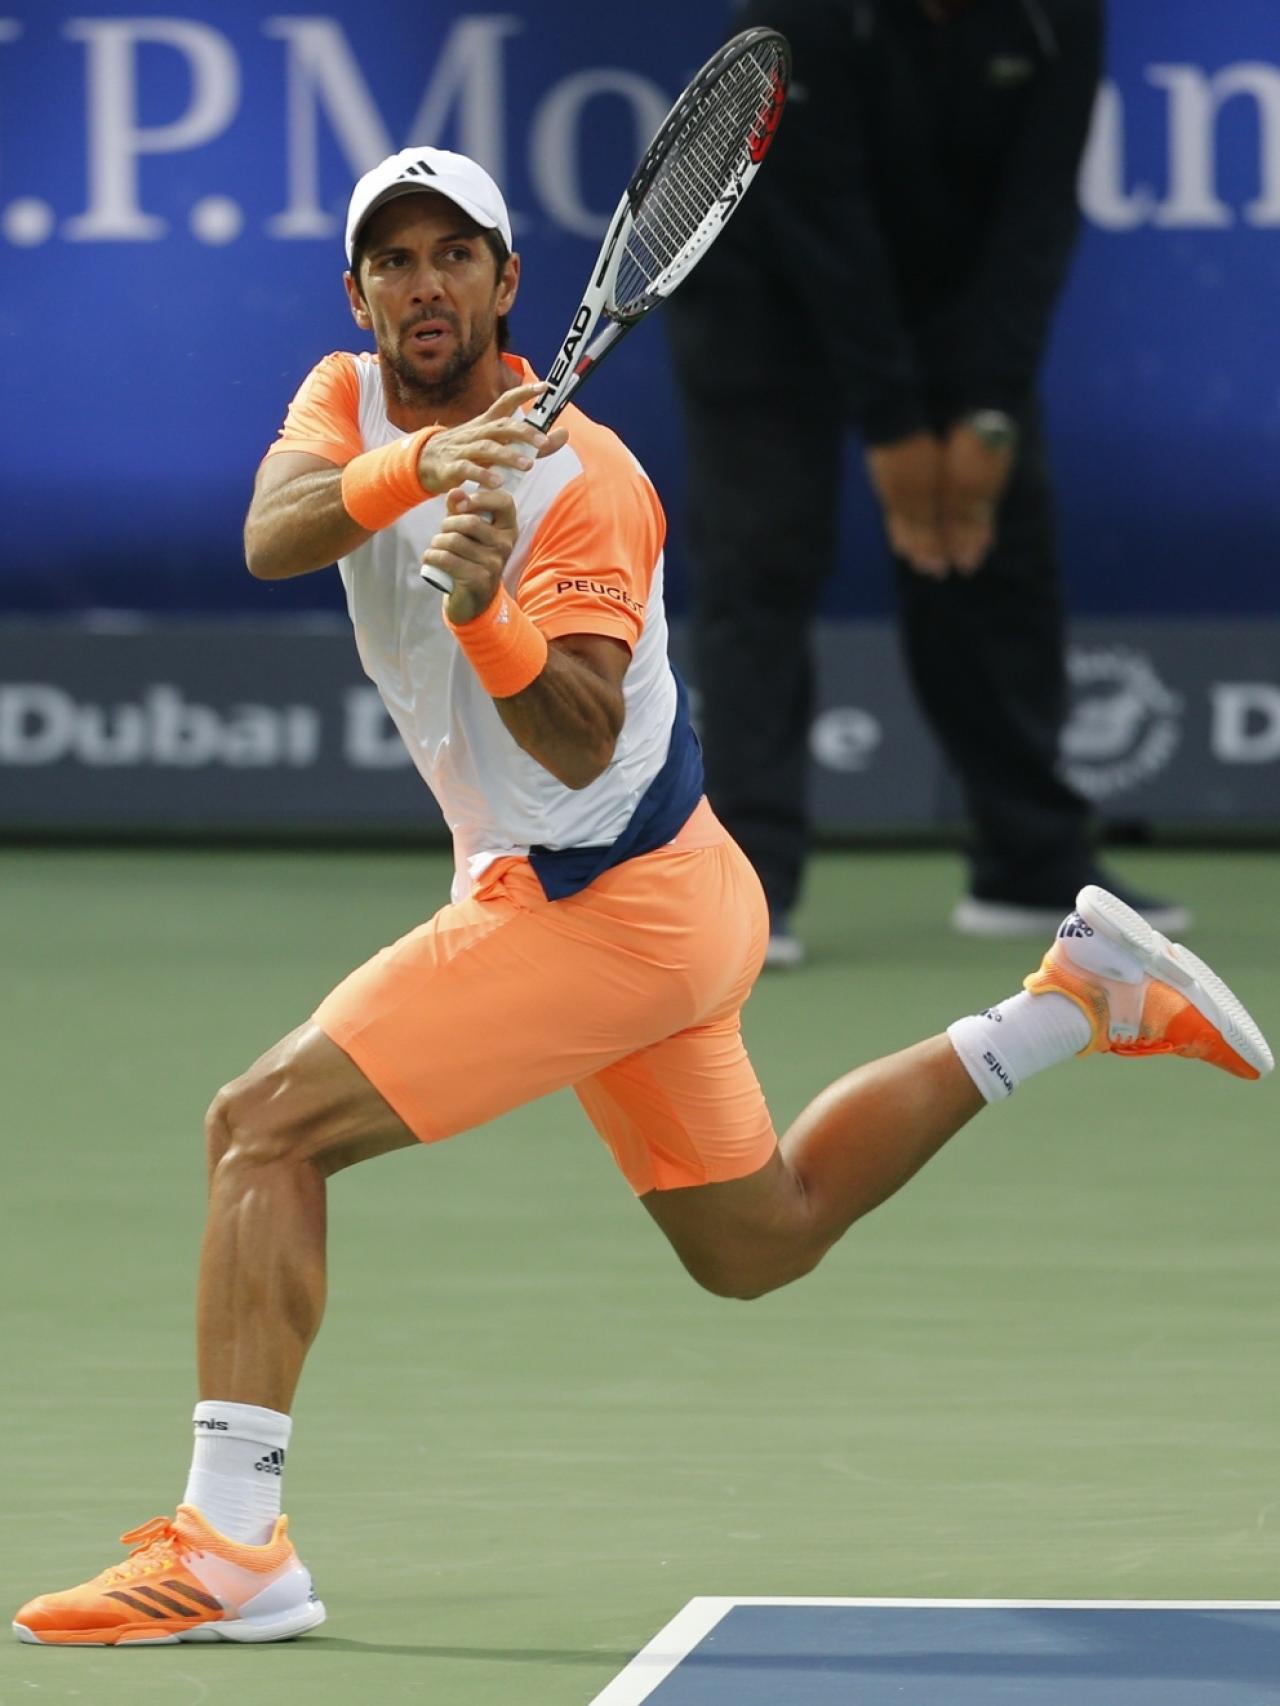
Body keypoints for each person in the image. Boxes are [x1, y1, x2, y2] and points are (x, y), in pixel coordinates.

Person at [13, 147, 1270, 1649]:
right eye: (395, 261)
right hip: (660, 890)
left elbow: (584, 728)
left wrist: (484, 616)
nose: (424, 284)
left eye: (454, 255)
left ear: (506, 283)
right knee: (761, 1237)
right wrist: (419, 468)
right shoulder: (346, 401)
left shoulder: (584, 483)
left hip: (603, 906)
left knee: (261, 1126)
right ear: (358, 292)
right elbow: (276, 530)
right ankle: (1072, 1004)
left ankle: (230, 1545)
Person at [665, 0, 1187, 967]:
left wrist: (982, 414)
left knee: (995, 539)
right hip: (762, 295)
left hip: (947, 288)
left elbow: (1038, 213)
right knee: (764, 555)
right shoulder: (796, 14)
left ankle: (1029, 862)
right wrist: (898, 424)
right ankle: (750, 890)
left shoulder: (1057, 15)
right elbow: (823, 220)